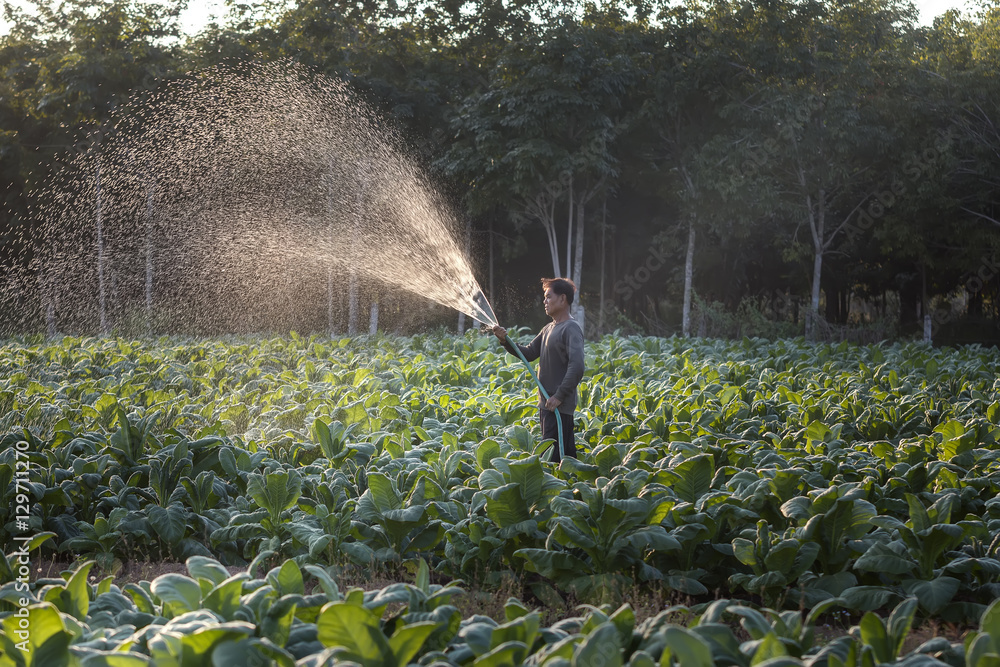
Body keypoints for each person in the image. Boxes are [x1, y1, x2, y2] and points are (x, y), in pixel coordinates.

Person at [492, 277, 585, 462]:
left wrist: (558, 397)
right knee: (554, 456)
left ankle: (567, 490)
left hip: (559, 407)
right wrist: (505, 340)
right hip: (547, 405)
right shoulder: (549, 328)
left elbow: (577, 367)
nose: (544, 301)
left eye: (548, 297)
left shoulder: (571, 328)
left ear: (562, 299)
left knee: (558, 460)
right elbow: (528, 353)